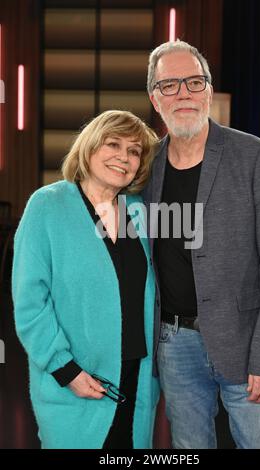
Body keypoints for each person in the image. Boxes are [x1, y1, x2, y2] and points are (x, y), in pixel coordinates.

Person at [143, 40, 260, 449]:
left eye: (194, 81)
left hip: (247, 343)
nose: (184, 93)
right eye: (170, 85)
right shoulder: (147, 167)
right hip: (174, 346)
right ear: (156, 99)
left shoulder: (254, 155)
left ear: (208, 90)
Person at [12, 110, 160, 449]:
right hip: (77, 379)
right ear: (90, 147)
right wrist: (66, 370)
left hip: (137, 377)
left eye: (134, 151)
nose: (124, 157)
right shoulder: (47, 206)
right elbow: (30, 303)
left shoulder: (139, 210)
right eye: (113, 144)